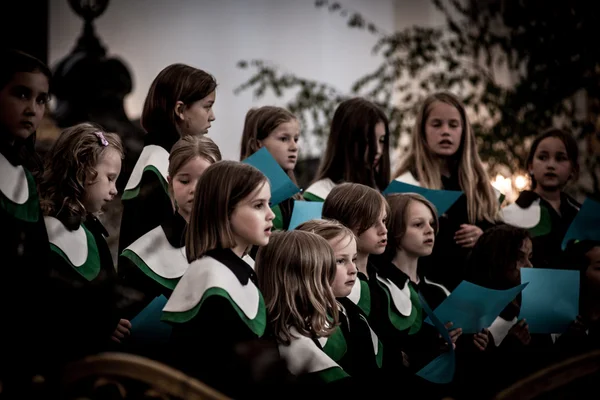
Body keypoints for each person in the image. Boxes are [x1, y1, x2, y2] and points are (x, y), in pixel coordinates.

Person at [118, 63, 217, 253]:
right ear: (180, 110)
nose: (212, 116)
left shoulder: (163, 158)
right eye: (207, 107)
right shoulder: (155, 168)